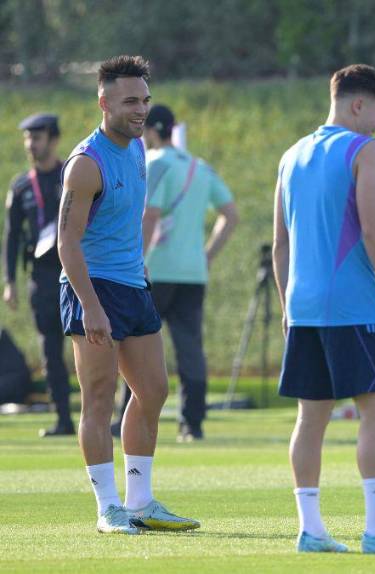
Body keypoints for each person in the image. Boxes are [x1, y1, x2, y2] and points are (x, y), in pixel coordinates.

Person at [273, 64, 375, 554]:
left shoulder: (292, 154)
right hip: (351, 303)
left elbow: (280, 245)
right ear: (357, 105)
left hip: (303, 306)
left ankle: (311, 530)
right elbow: (373, 230)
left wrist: (287, 305)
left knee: (311, 417)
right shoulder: (365, 150)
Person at [57, 55, 199, 535]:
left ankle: (141, 501)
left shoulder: (138, 148)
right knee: (98, 399)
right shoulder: (85, 164)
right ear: (104, 102)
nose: (141, 110)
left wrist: (137, 272)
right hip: (92, 289)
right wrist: (91, 306)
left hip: (133, 286)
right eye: (130, 101)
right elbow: (66, 242)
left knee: (154, 390)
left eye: (145, 100)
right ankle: (108, 508)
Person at [111, 104, 239, 442]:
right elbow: (230, 214)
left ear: (152, 131)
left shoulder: (155, 163)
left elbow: (149, 217)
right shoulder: (200, 167)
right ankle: (192, 422)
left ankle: (127, 417)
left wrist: (134, 261)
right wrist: (207, 255)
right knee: (190, 348)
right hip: (192, 272)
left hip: (155, 270)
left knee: (135, 345)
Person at [3, 113, 74, 437]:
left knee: (91, 346)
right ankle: (63, 419)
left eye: (38, 137)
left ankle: (102, 418)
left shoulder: (72, 175)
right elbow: (12, 236)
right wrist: (10, 282)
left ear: (53, 139)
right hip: (42, 278)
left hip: (75, 273)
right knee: (50, 350)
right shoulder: (20, 186)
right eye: (28, 138)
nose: (32, 144)